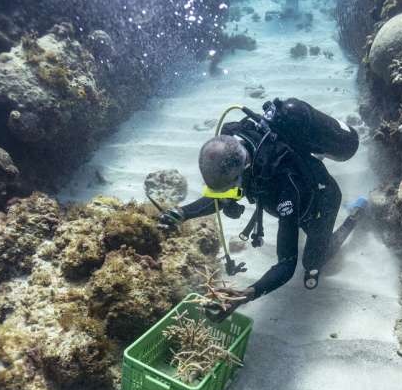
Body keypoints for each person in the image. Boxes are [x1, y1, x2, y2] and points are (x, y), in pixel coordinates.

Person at [158, 100, 368, 320]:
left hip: (319, 202)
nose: (228, 193)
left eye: (231, 187)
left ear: (244, 171)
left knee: (312, 262)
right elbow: (221, 197)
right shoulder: (238, 151)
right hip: (289, 192)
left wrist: (247, 294)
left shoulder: (285, 185)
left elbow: (287, 264)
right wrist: (181, 213)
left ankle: (354, 216)